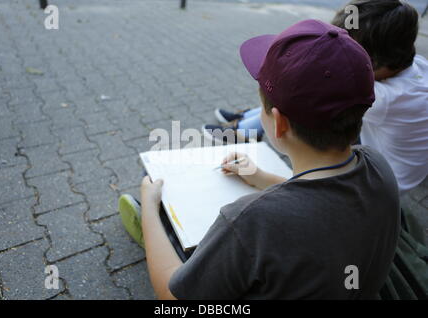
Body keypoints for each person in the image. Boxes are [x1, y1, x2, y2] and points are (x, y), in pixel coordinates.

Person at [119, 19, 400, 299]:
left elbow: (171, 299)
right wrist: (263, 178)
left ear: (278, 123)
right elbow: (326, 202)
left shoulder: (250, 220)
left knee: (185, 248)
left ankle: (158, 230)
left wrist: (150, 211)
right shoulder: (378, 165)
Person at [203, 0, 428, 194]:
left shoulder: (387, 99)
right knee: (291, 88)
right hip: (388, 162)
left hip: (384, 184)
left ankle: (244, 129)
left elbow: (313, 194)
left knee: (292, 89)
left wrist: (259, 176)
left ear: (369, 63)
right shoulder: (416, 65)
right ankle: (245, 126)